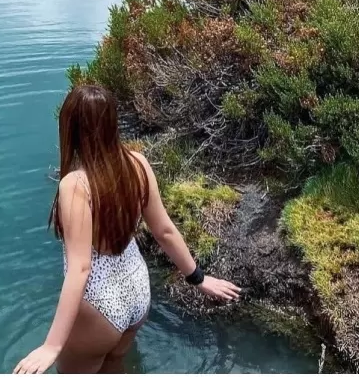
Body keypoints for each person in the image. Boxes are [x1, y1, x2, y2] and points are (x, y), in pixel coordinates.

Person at [14, 85, 241, 374]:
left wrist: (52, 346)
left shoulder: (75, 185)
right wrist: (198, 278)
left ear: (69, 127)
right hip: (137, 294)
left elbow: (81, 268)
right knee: (114, 366)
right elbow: (165, 231)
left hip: (99, 303)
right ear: (112, 122)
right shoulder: (138, 164)